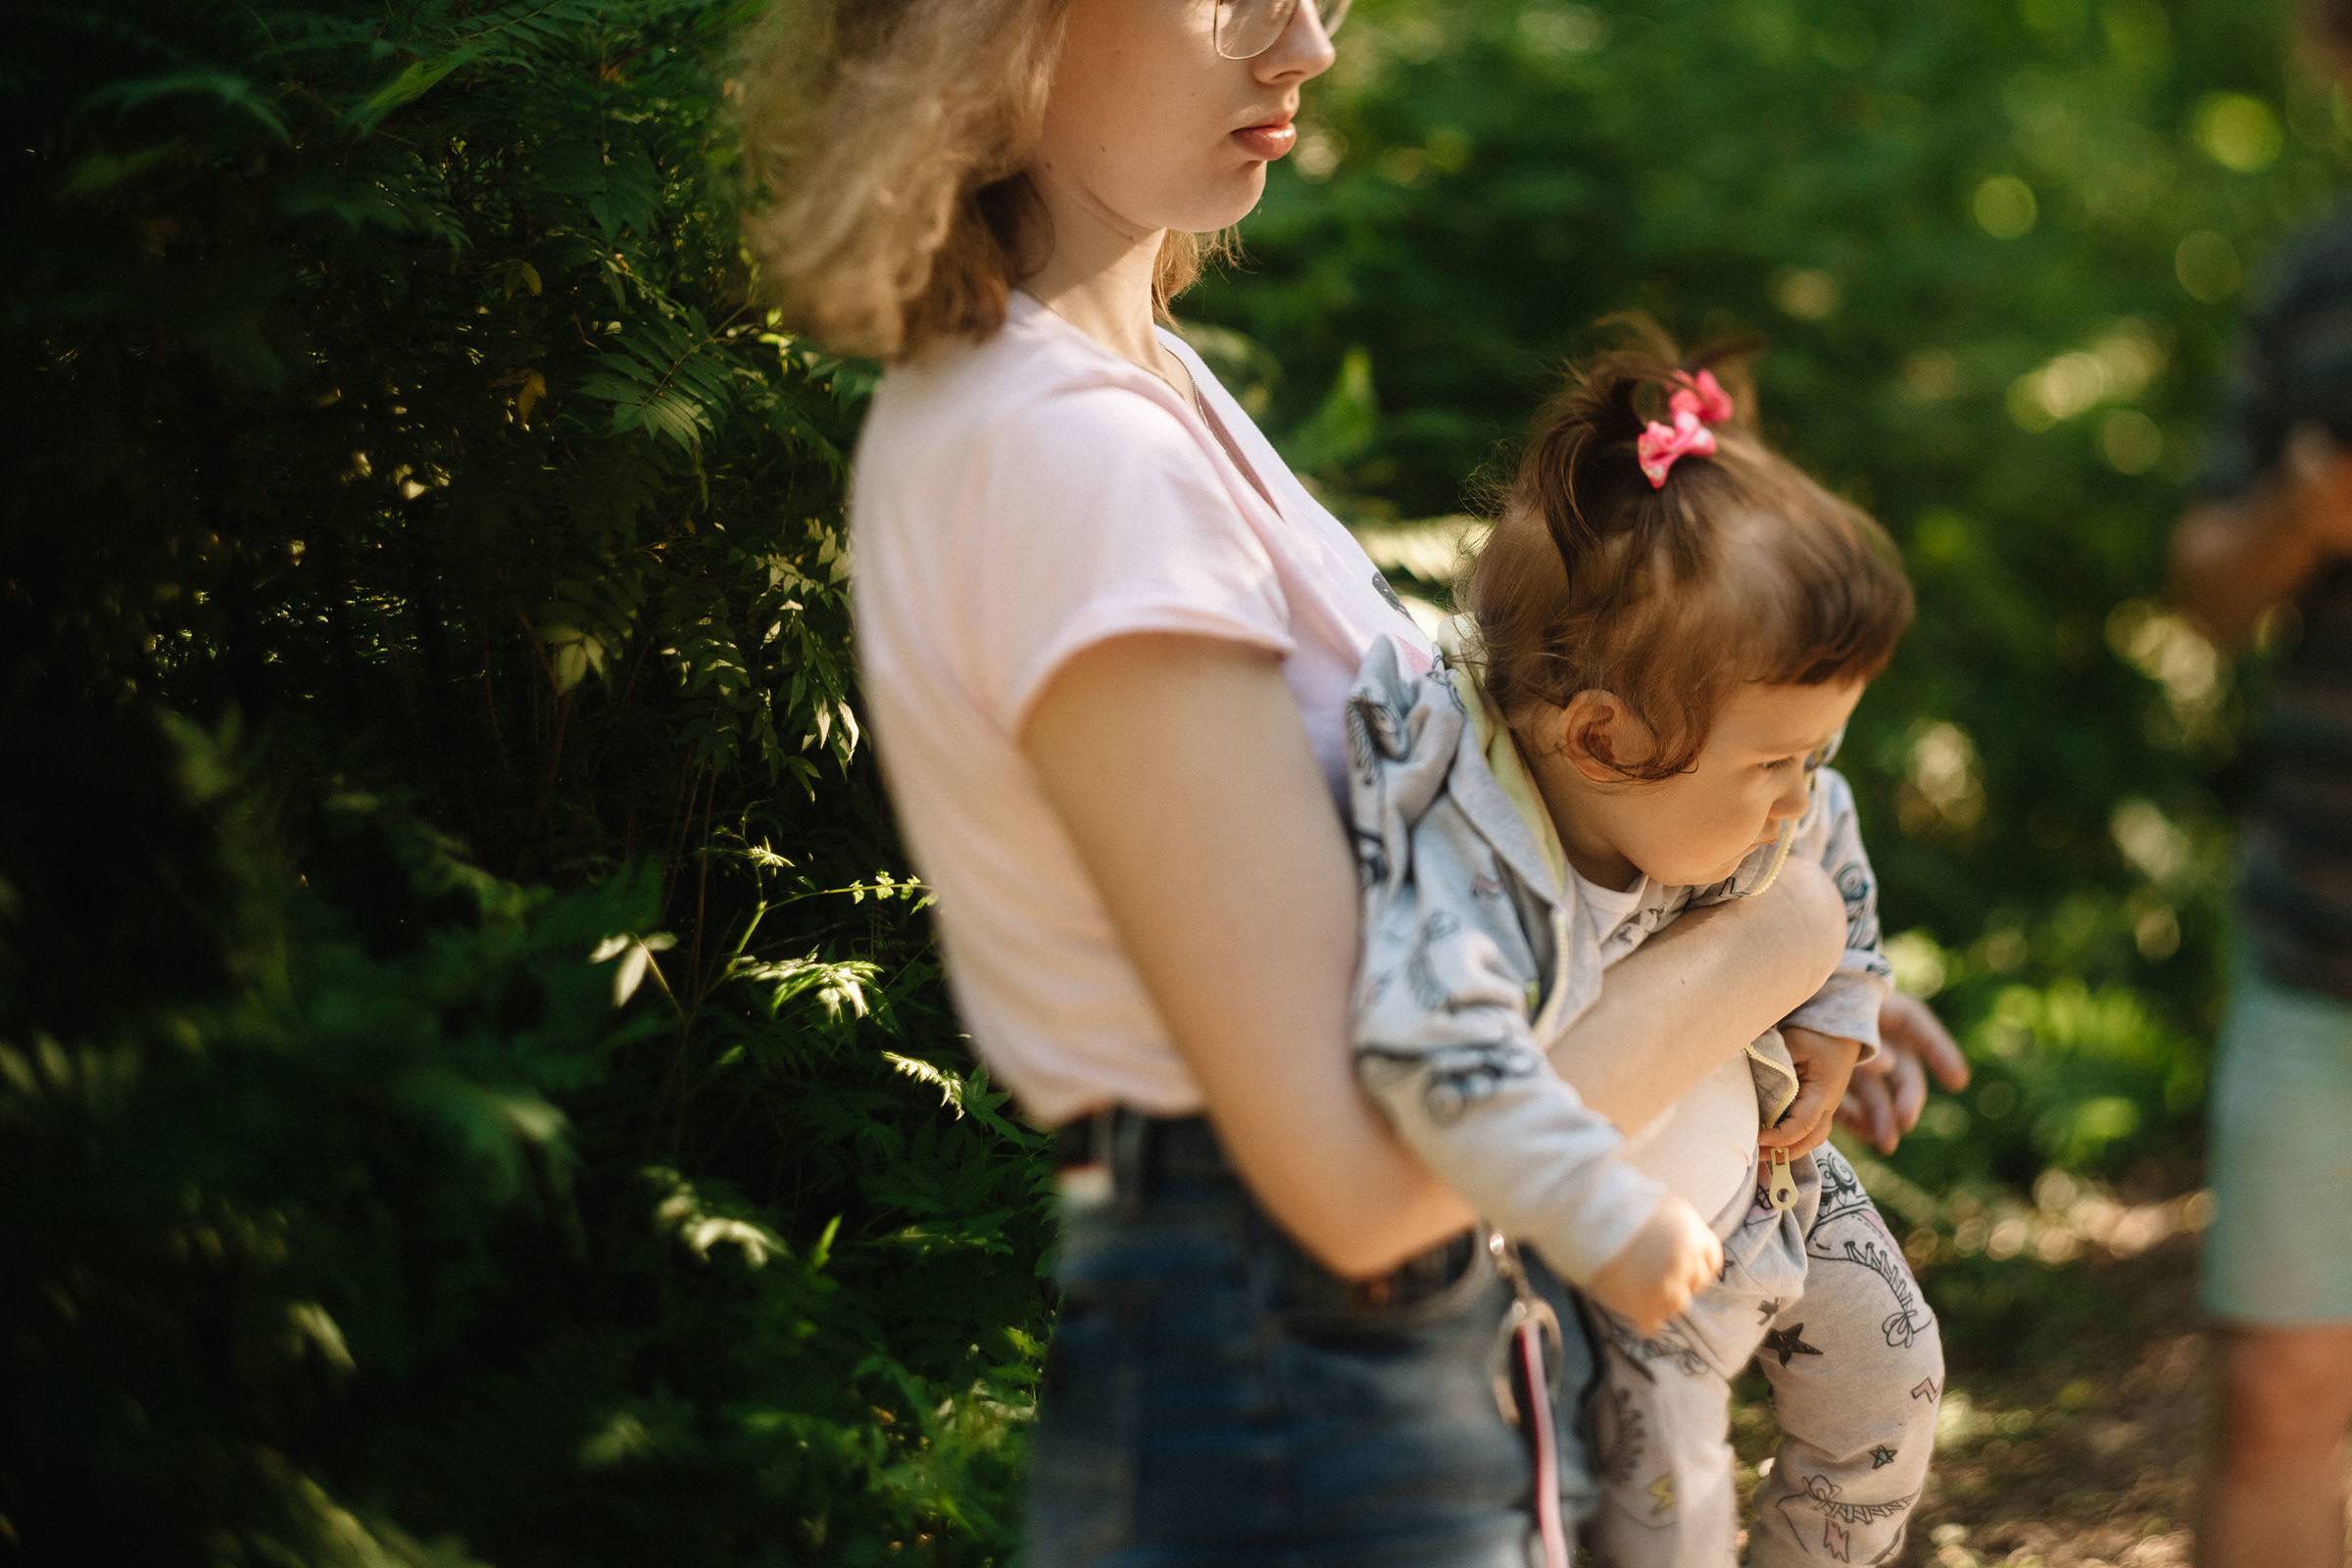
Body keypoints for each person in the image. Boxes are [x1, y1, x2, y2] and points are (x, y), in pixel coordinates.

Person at [741, 1, 1960, 1560]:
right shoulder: (1070, 456)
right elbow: (1359, 1181)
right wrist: (1767, 944)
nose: (1305, 42)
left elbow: (1477, 851)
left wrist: (1738, 948)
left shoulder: (1149, 389)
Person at [1346, 337, 1940, 1568]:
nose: (1799, 795)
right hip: (1618, 1272)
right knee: (1673, 1511)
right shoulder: (1475, 863)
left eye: (1816, 751)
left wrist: (1843, 997)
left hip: (1771, 1169)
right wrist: (1603, 1212)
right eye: (1772, 761)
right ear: (1603, 739)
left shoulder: (1742, 790)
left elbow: (1825, 835)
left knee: (1891, 1382)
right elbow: (1432, 1059)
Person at [2171, 9, 2352, 1560]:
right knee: (2283, 1393)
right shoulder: (2313, 285)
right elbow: (2204, 587)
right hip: (2320, 941)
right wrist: (2313, 508)